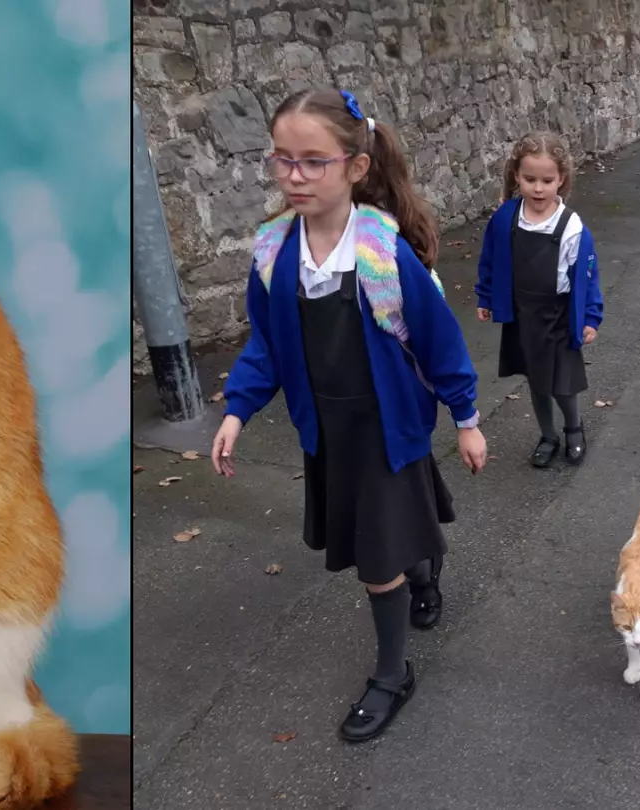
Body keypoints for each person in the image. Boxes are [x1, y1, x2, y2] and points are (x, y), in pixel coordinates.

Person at [211, 89, 487, 744]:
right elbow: (268, 343)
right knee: (388, 537)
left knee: (374, 560)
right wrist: (238, 410)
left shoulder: (384, 257)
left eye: (314, 161)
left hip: (387, 425)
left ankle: (393, 675)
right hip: (328, 432)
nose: (295, 176)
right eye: (283, 160)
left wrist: (468, 418)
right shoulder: (274, 253)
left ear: (355, 168)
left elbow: (440, 343)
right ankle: (423, 569)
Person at [475, 132, 604, 467]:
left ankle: (573, 428)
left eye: (547, 180)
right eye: (529, 179)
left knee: (561, 384)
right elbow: (490, 260)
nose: (538, 188)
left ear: (561, 179)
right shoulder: (506, 219)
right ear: (516, 176)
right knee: (536, 380)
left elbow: (588, 278)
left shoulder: (573, 227)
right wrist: (486, 296)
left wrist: (591, 317)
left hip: (558, 315)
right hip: (524, 314)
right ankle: (548, 435)